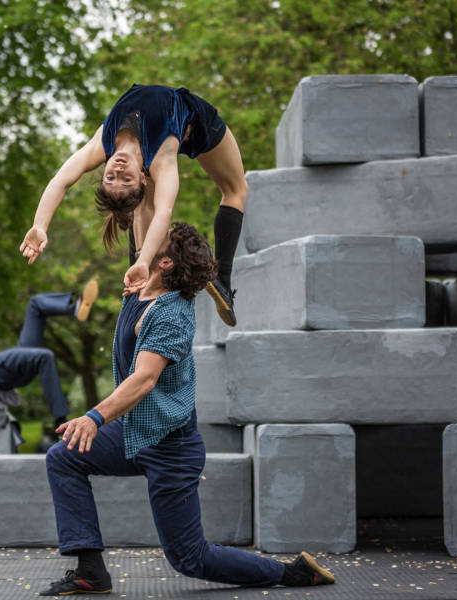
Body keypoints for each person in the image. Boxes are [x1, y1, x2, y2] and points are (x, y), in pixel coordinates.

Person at [40, 223, 335, 596]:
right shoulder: (139, 281)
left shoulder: (171, 314)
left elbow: (145, 379)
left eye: (157, 239)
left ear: (164, 262)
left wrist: (95, 417)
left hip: (170, 449)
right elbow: (148, 207)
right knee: (64, 458)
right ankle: (90, 571)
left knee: (189, 558)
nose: (148, 237)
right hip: (134, 433)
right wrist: (130, 167)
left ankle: (290, 573)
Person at [20, 84, 246, 326]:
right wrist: (142, 262)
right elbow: (164, 212)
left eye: (110, 177)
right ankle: (220, 279)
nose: (117, 169)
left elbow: (61, 180)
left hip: (161, 138)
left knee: (141, 205)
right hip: (197, 122)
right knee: (236, 190)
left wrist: (40, 225)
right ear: (140, 177)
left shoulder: (103, 143)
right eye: (125, 178)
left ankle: (140, 286)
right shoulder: (161, 158)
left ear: (103, 171)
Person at [0, 279, 99, 455]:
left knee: (36, 305)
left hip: (2, 373)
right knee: (44, 357)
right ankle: (60, 422)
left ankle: (74, 307)